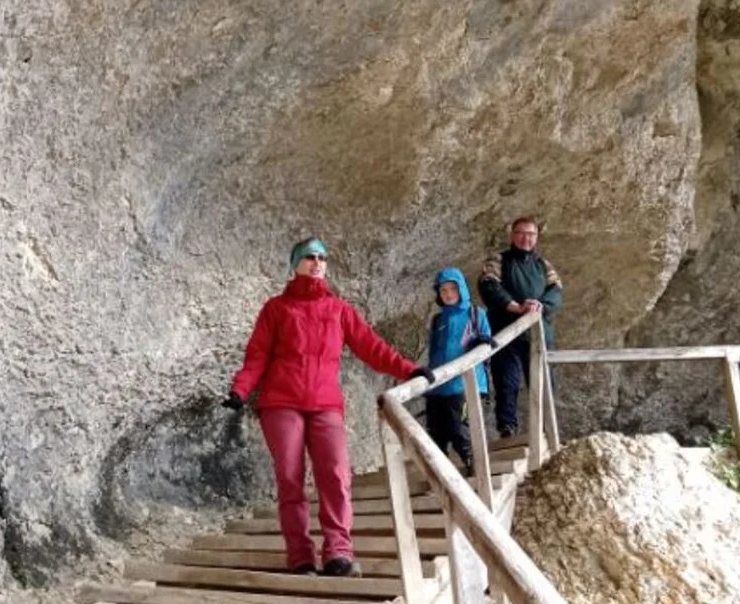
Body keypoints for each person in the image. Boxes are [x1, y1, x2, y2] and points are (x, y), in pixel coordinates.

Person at [222, 237, 434, 577]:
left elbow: (371, 347)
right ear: (295, 265)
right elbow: (258, 355)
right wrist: (240, 390)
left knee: (335, 474)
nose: (316, 263)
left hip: (325, 404)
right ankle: (300, 556)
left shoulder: (339, 310)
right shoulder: (276, 309)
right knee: (290, 478)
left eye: (321, 257)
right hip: (281, 403)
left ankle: (338, 553)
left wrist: (409, 369)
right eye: (309, 257)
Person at [477, 217, 563, 439]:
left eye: (531, 234)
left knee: (543, 381)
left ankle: (547, 429)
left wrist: (539, 306)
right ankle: (507, 428)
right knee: (507, 381)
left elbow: (556, 292)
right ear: (512, 235)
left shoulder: (544, 265)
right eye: (521, 233)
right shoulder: (498, 260)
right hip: (506, 333)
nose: (526, 238)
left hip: (539, 334)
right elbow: (488, 286)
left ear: (537, 237)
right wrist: (516, 307)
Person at [424, 267, 495, 476]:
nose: (447, 294)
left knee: (459, 429)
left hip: (465, 383)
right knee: (436, 433)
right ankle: (443, 474)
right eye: (443, 290)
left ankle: (476, 468)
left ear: (461, 289)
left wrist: (482, 344)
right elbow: (434, 352)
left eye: (452, 289)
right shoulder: (438, 321)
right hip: (437, 386)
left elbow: (488, 343)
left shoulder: (475, 314)